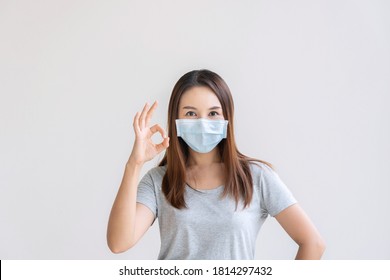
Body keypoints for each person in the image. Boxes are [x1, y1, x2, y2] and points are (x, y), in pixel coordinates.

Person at [107, 69, 325, 260]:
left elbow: (313, 243)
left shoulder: (255, 177)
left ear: (226, 118)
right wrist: (134, 164)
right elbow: (119, 242)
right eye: (191, 113)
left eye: (213, 113)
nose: (203, 122)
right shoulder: (159, 181)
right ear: (176, 120)